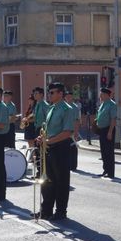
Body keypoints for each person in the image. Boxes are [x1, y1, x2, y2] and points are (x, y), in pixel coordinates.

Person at [33, 82, 74, 220]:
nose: (49, 95)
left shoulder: (67, 109)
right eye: (48, 92)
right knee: (47, 181)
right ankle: (46, 210)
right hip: (49, 147)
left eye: (52, 92)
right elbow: (47, 129)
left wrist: (48, 141)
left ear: (60, 94)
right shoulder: (51, 108)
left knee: (61, 181)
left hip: (60, 147)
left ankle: (61, 212)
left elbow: (67, 132)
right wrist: (42, 137)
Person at [95, 87, 117, 179]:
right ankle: (105, 170)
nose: (100, 96)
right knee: (103, 152)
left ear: (107, 95)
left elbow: (113, 119)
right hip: (102, 130)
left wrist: (110, 132)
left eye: (102, 94)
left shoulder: (112, 104)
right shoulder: (102, 104)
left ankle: (111, 172)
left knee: (109, 152)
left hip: (108, 129)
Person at [64, 90, 81, 171]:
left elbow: (77, 120)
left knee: (73, 148)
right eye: (67, 97)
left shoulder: (74, 107)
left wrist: (76, 132)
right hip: (64, 131)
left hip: (72, 130)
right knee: (66, 148)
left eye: (70, 97)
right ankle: (67, 164)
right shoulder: (64, 106)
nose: (68, 98)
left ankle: (73, 165)